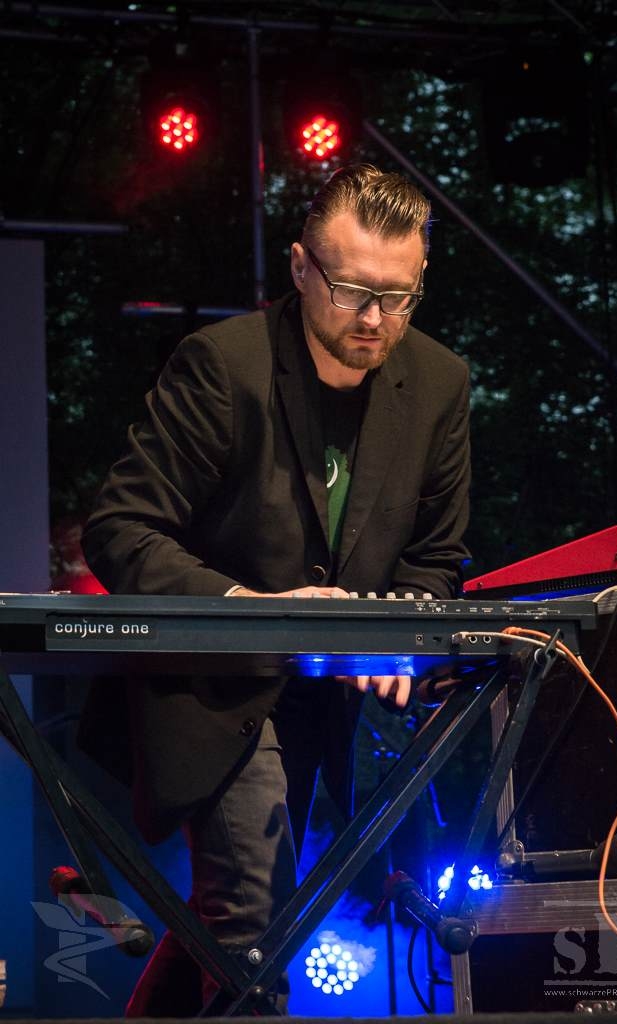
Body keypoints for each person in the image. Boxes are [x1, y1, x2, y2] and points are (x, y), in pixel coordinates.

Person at [78, 163, 471, 1015]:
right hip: (214, 686)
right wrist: (249, 610)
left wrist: (399, 632)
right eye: (352, 291)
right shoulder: (223, 365)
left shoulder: (439, 383)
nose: (374, 318)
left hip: (325, 697)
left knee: (246, 924)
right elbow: (120, 527)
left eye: (399, 296)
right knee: (253, 923)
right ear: (299, 266)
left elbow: (435, 557)